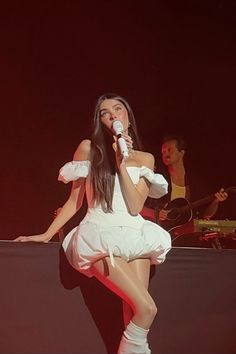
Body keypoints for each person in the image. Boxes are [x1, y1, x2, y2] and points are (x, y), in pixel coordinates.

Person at [14, 93, 172, 354]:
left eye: (117, 109)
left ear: (128, 119)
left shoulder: (145, 159)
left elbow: (134, 206)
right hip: (101, 233)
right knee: (147, 308)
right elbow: (75, 200)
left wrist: (122, 164)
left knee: (133, 314)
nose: (112, 115)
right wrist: (46, 233)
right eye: (104, 112)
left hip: (136, 235)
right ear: (101, 121)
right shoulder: (88, 148)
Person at [141, 135, 228, 234]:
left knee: (219, 227)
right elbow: (137, 207)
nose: (166, 154)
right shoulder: (158, 179)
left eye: (170, 150)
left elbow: (206, 215)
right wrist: (156, 214)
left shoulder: (194, 181)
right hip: (159, 231)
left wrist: (216, 201)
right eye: (163, 152)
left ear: (181, 153)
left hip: (188, 233)